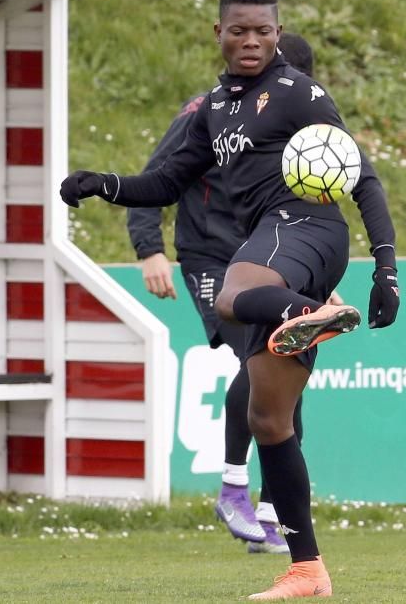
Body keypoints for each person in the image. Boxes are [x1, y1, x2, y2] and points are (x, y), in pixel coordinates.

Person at [61, 0, 400, 599]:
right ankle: (308, 570)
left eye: (263, 31)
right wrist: (101, 183)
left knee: (231, 293)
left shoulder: (299, 93)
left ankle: (317, 311)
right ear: (218, 33)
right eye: (239, 30)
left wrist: (387, 267)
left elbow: (364, 180)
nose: (251, 41)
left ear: (278, 32)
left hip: (306, 230)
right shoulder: (216, 107)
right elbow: (164, 183)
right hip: (276, 250)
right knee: (270, 419)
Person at [125, 33, 322, 556]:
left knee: (286, 365)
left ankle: (270, 512)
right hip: (212, 258)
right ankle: (234, 486)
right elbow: (155, 180)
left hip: (266, 260)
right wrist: (150, 249)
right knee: (258, 356)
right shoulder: (206, 113)